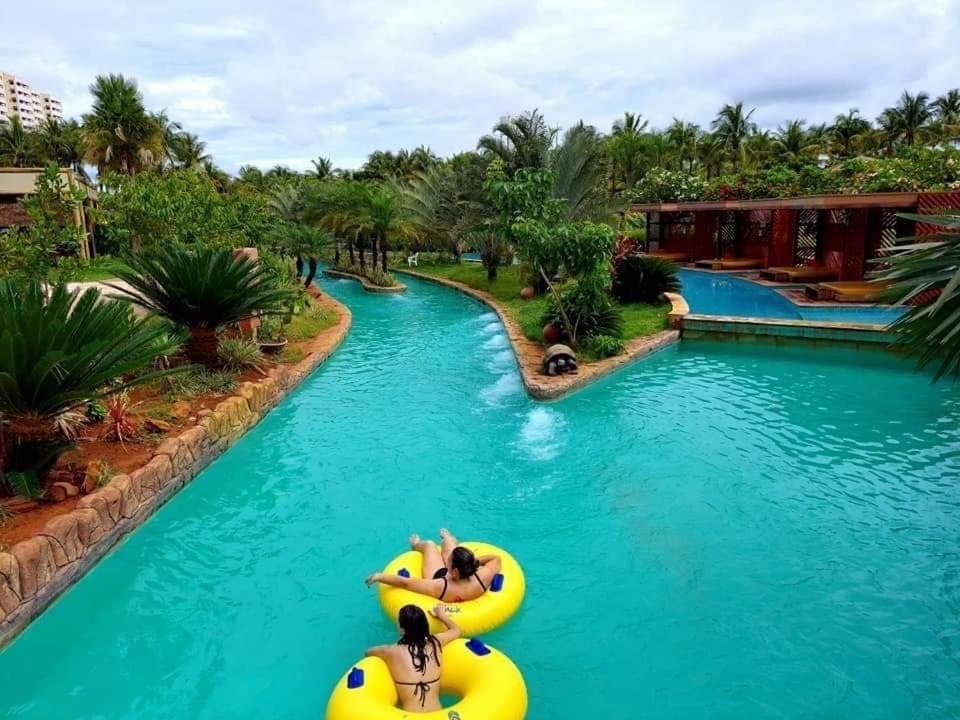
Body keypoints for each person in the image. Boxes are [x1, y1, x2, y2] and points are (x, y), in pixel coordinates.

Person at [364, 604, 460, 712]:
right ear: (425, 626)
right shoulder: (436, 642)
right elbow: (456, 630)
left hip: (411, 716)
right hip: (437, 715)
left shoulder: (390, 651)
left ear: (403, 629)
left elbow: (368, 652)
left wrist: (394, 646)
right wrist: (441, 614)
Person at [365, 528, 502, 603]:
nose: (446, 558)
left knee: (430, 545)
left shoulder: (439, 586)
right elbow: (496, 559)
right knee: (449, 541)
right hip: (465, 573)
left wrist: (379, 576)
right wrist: (474, 563)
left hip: (440, 575)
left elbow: (406, 583)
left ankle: (415, 545)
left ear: (454, 571)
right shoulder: (483, 576)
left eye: (449, 559)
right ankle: (447, 538)